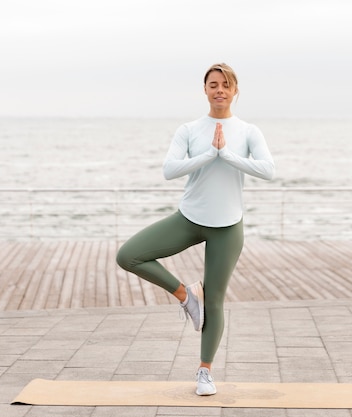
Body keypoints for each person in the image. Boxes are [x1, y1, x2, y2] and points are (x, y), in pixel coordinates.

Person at [116, 63, 275, 396]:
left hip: (228, 226)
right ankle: (186, 296)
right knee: (129, 255)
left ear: (235, 90)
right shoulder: (189, 129)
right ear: (205, 90)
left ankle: (205, 372)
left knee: (215, 300)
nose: (220, 90)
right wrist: (208, 154)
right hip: (189, 217)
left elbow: (268, 170)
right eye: (213, 84)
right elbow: (169, 170)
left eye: (226, 84)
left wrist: (227, 154)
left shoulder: (248, 131)